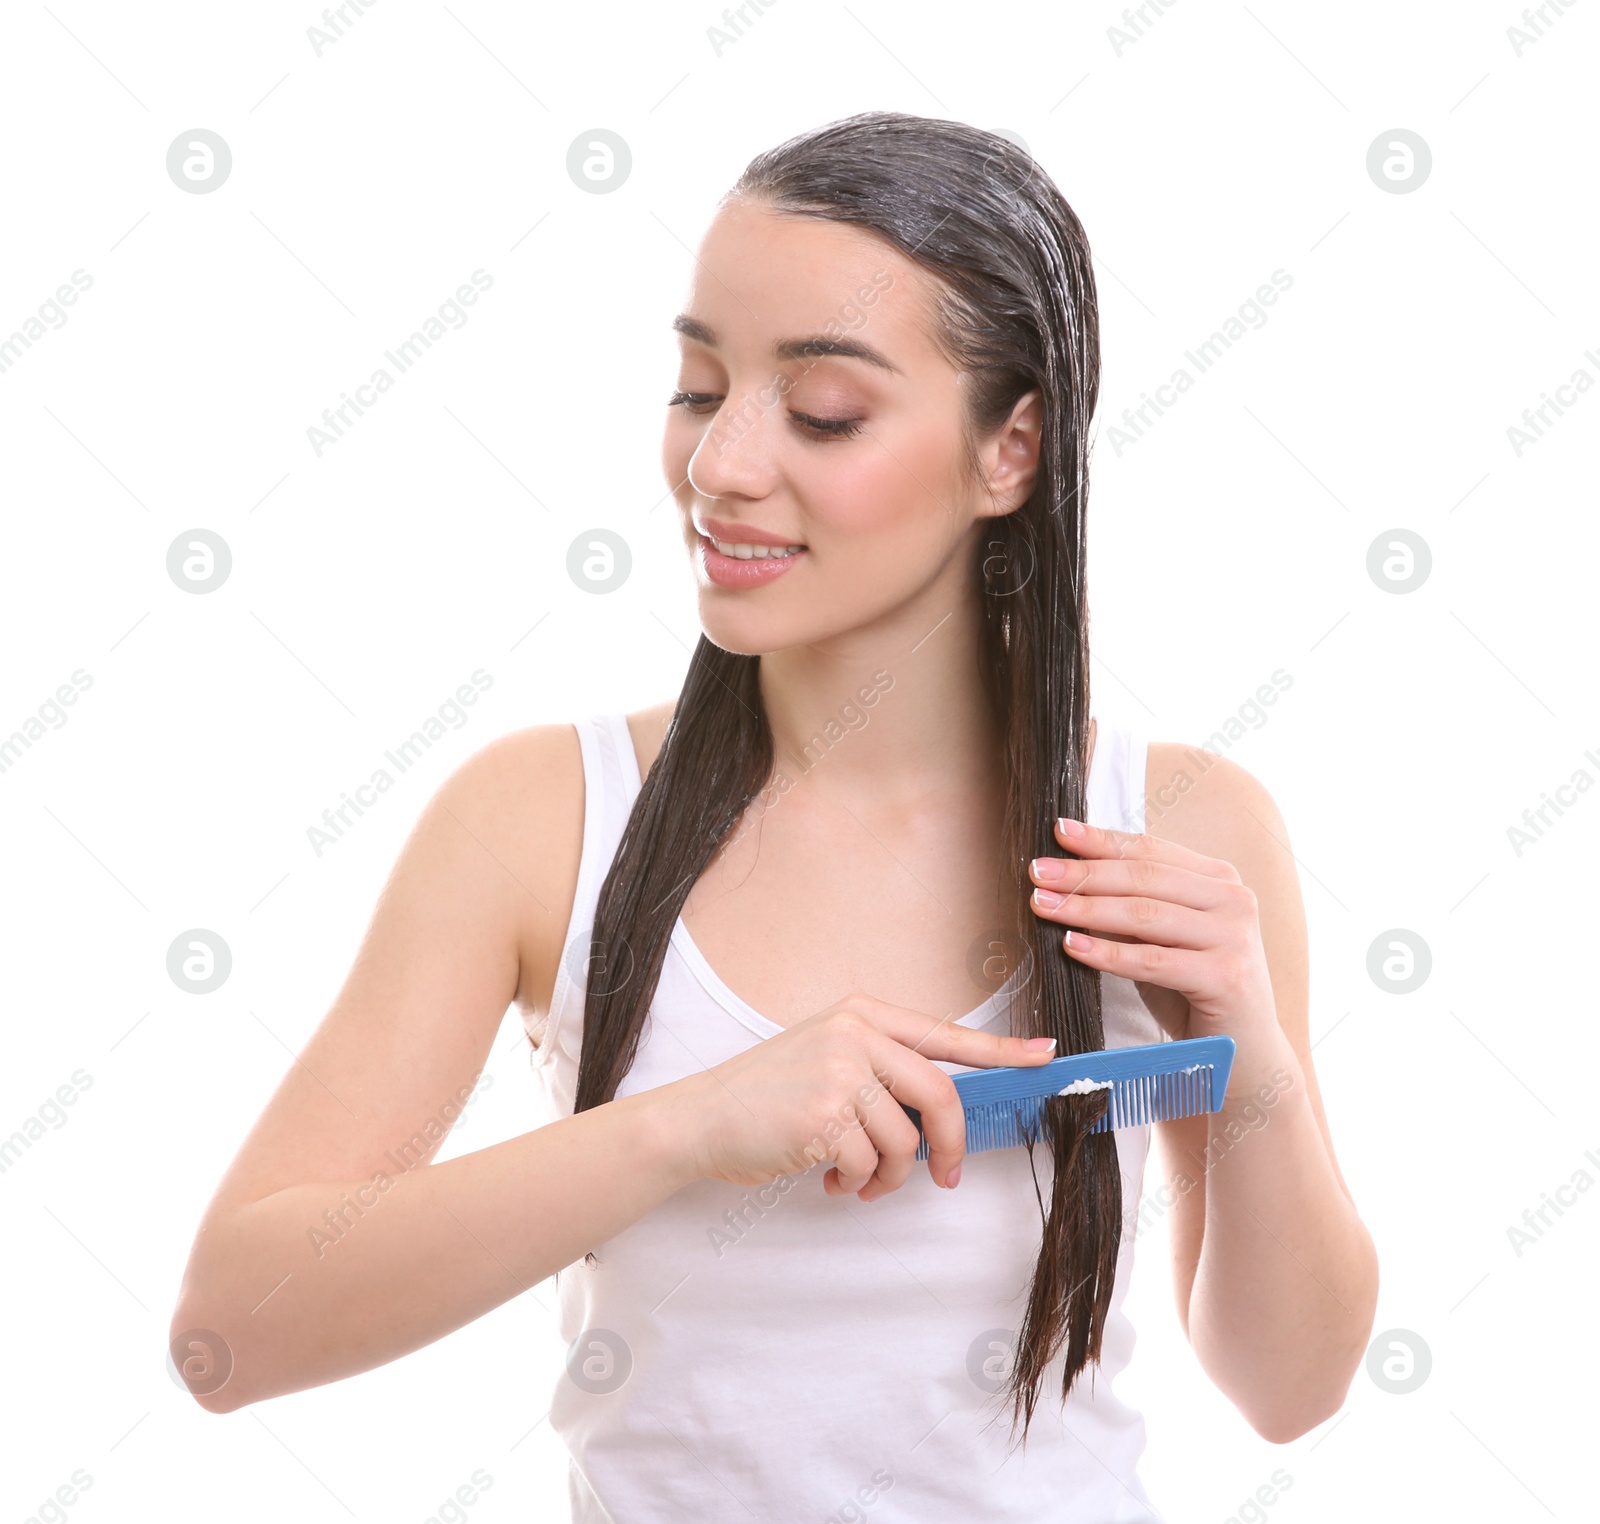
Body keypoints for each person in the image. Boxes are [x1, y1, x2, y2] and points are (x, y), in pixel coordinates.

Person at [170, 111, 1377, 1521]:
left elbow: (1289, 1389)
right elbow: (231, 1332)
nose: (721, 467)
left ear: (1013, 452)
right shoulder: (539, 818)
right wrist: (686, 1129)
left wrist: (1258, 1060)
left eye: (822, 414)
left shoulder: (1180, 832)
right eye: (698, 387)